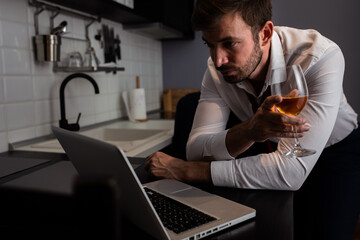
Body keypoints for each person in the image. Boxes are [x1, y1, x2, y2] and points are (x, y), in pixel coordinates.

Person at [145, 1, 360, 237]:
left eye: (230, 44)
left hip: (337, 152)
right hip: (277, 150)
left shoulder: (318, 57)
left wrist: (189, 171)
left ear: (265, 33)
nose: (218, 60)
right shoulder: (217, 72)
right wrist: (248, 131)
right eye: (210, 45)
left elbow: (291, 172)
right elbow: (197, 150)